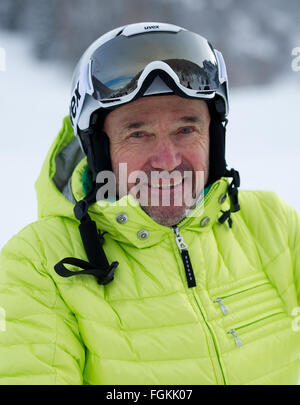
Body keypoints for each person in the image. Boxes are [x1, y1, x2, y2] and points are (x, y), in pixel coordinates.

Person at [0, 21, 299, 385]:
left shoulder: (272, 224)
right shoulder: (38, 263)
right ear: (100, 150)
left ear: (213, 136)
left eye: (185, 129)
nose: (167, 160)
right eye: (138, 133)